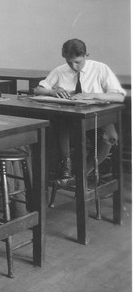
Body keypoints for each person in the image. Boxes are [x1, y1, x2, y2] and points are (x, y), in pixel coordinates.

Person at [33, 38, 125, 184]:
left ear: (86, 55)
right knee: (59, 122)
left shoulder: (100, 68)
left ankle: (81, 175)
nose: (74, 66)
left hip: (96, 117)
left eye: (77, 62)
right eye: (69, 62)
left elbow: (119, 96)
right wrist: (52, 92)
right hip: (70, 118)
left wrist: (94, 94)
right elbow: (38, 89)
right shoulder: (60, 70)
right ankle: (66, 166)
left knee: (109, 138)